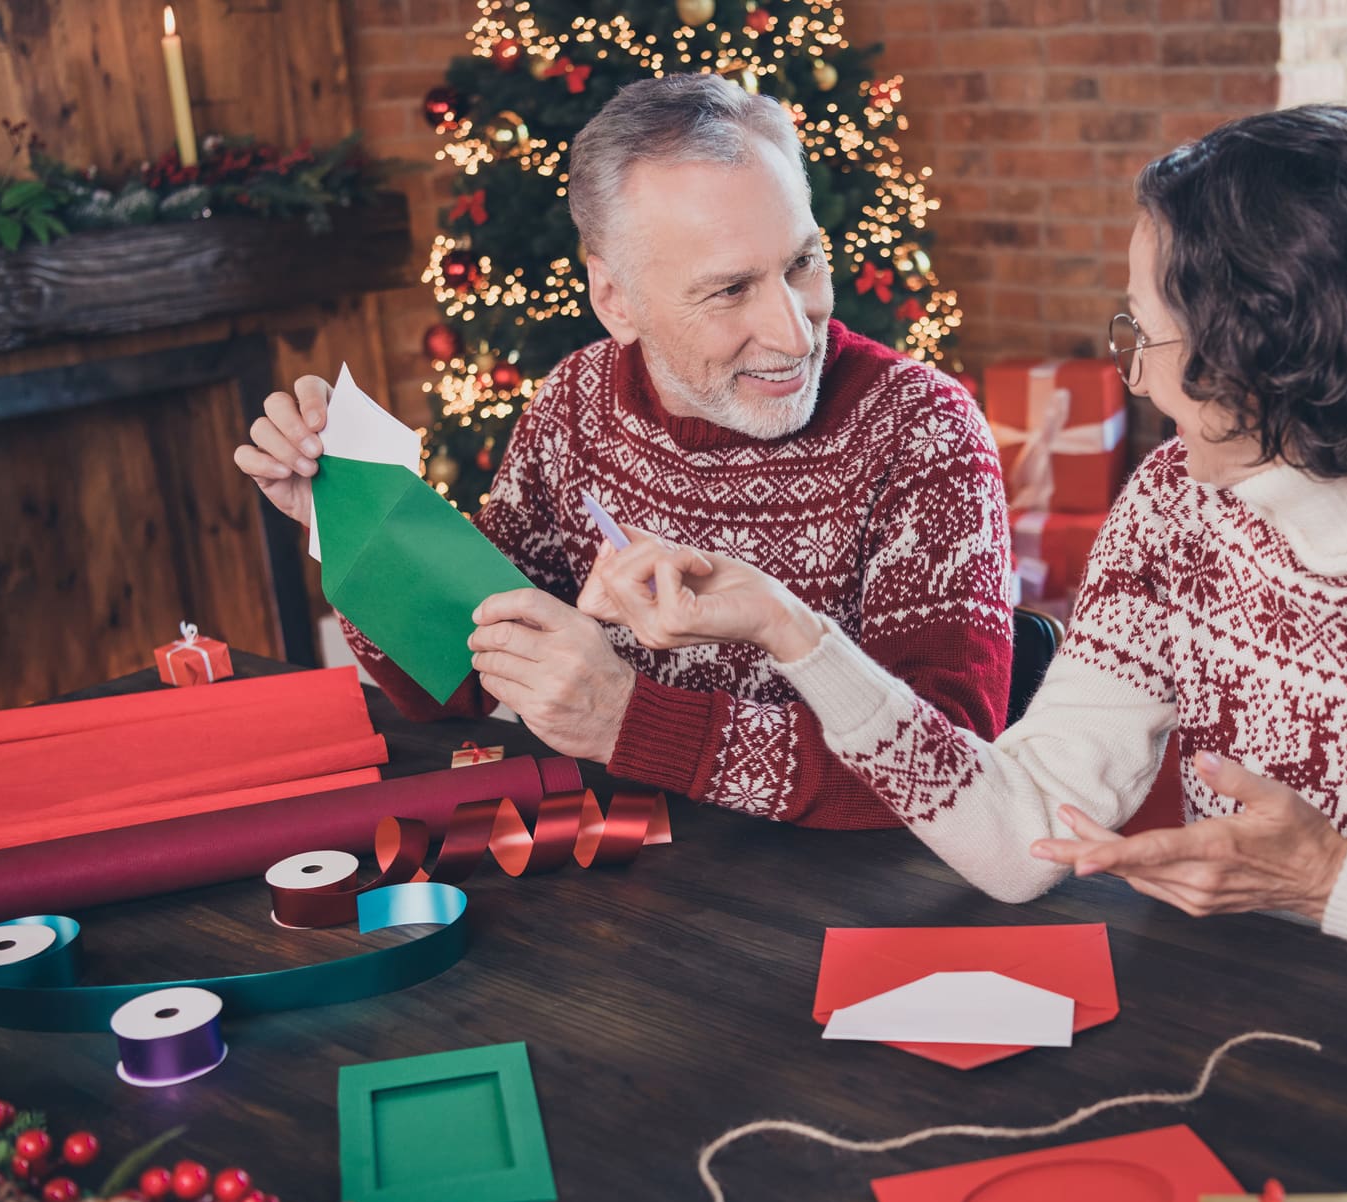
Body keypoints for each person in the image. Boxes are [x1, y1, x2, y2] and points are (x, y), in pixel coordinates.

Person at [577, 104, 1347, 1105]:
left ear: (1271, 352)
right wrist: (796, 633)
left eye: (1148, 333)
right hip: (1236, 1063)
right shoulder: (1177, 504)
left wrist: (1335, 884)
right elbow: (1020, 840)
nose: (1130, 370)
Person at [235, 74, 1012, 828]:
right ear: (615, 300)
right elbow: (456, 677)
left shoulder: (924, 429)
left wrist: (626, 721)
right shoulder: (575, 400)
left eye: (802, 263)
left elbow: (950, 772)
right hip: (629, 883)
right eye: (729, 289)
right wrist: (347, 523)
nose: (792, 330)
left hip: (843, 910)